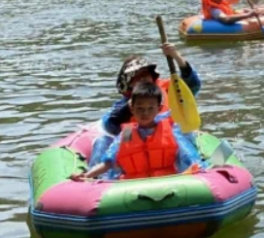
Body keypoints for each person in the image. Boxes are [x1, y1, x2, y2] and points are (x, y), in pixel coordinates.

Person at [74, 81, 204, 181]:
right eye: (140, 108)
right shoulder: (127, 133)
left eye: (150, 108)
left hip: (167, 183)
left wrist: (201, 171)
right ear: (132, 109)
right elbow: (109, 162)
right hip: (133, 186)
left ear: (159, 109)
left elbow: (188, 157)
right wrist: (87, 175)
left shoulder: (171, 130)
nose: (145, 113)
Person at [103, 48, 202, 136]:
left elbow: (193, 85)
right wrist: (127, 109)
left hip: (170, 136)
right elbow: (110, 126)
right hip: (139, 142)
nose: (142, 79)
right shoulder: (124, 104)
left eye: (145, 74)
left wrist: (176, 57)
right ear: (129, 83)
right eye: (136, 77)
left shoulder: (168, 90)